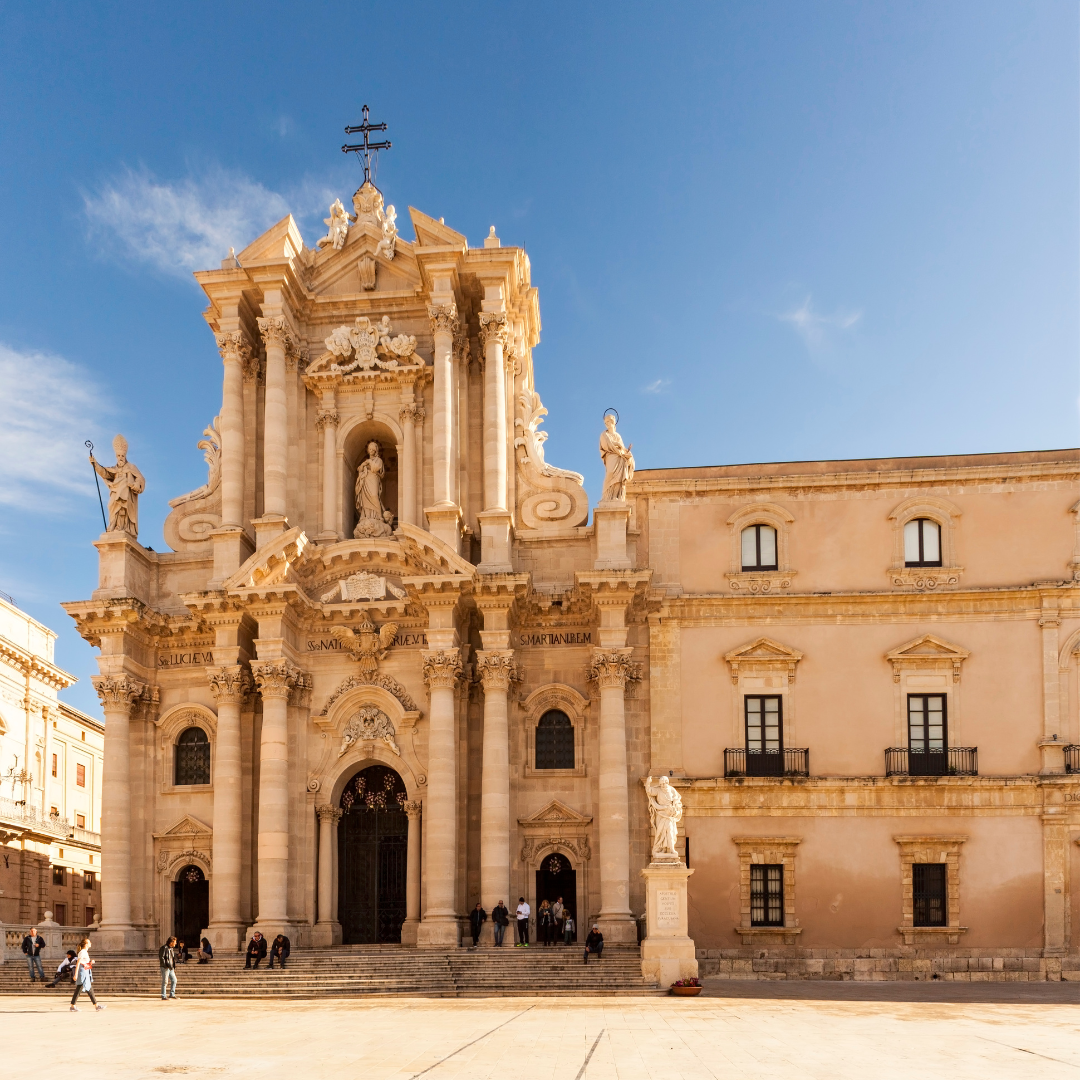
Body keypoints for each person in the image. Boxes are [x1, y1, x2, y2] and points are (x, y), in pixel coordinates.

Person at [70, 937, 105, 1011]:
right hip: (83, 972)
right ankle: (72, 1006)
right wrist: (75, 974)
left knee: (89, 988)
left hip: (85, 971)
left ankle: (96, 1005)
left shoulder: (85, 952)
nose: (90, 943)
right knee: (80, 988)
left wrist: (90, 963)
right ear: (86, 944)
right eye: (89, 942)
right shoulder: (82, 952)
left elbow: (84, 963)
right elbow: (78, 963)